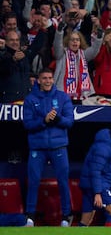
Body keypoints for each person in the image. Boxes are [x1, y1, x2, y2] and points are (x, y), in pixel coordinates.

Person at [22, 68, 74, 227]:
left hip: (59, 147)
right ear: (38, 80)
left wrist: (56, 118)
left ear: (53, 79)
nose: (47, 81)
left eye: (50, 78)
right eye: (44, 78)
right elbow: (28, 124)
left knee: (63, 182)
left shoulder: (62, 97)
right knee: (33, 181)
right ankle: (30, 217)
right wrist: (44, 120)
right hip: (38, 147)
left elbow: (69, 122)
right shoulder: (30, 99)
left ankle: (66, 217)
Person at [78, 124, 111, 227]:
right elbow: (95, 171)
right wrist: (97, 192)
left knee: (86, 220)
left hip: (89, 185)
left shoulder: (110, 145)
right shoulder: (103, 149)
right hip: (97, 186)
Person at [53, 21, 103, 102]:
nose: (75, 41)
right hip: (63, 93)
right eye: (72, 39)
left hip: (82, 95)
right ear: (67, 42)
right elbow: (57, 45)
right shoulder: (61, 54)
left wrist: (99, 38)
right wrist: (59, 32)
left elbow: (94, 50)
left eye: (77, 40)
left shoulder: (84, 54)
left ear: (80, 42)